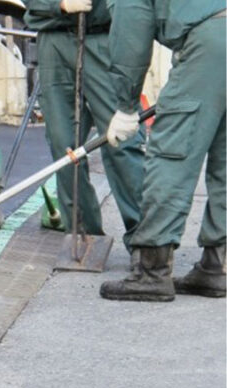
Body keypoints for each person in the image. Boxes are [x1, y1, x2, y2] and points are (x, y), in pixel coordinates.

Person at [100, 1, 226, 301]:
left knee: (172, 154)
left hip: (210, 42)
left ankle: (151, 272)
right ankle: (218, 267)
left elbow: (131, 33)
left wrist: (126, 106)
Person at [22, 0, 146, 261]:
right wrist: (58, 4)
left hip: (103, 39)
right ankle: (83, 235)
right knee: (64, 146)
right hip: (53, 40)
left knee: (122, 140)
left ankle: (145, 243)